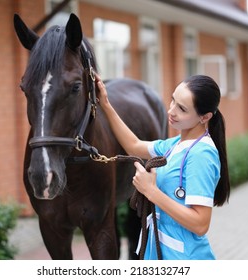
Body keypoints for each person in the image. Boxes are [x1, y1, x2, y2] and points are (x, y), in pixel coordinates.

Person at [95, 74, 230, 260]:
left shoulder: (201, 155)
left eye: (182, 109)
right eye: (173, 100)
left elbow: (200, 224)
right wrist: (106, 104)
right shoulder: (174, 145)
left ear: (204, 117)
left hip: (184, 257)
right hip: (161, 253)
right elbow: (133, 145)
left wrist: (150, 191)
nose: (171, 111)